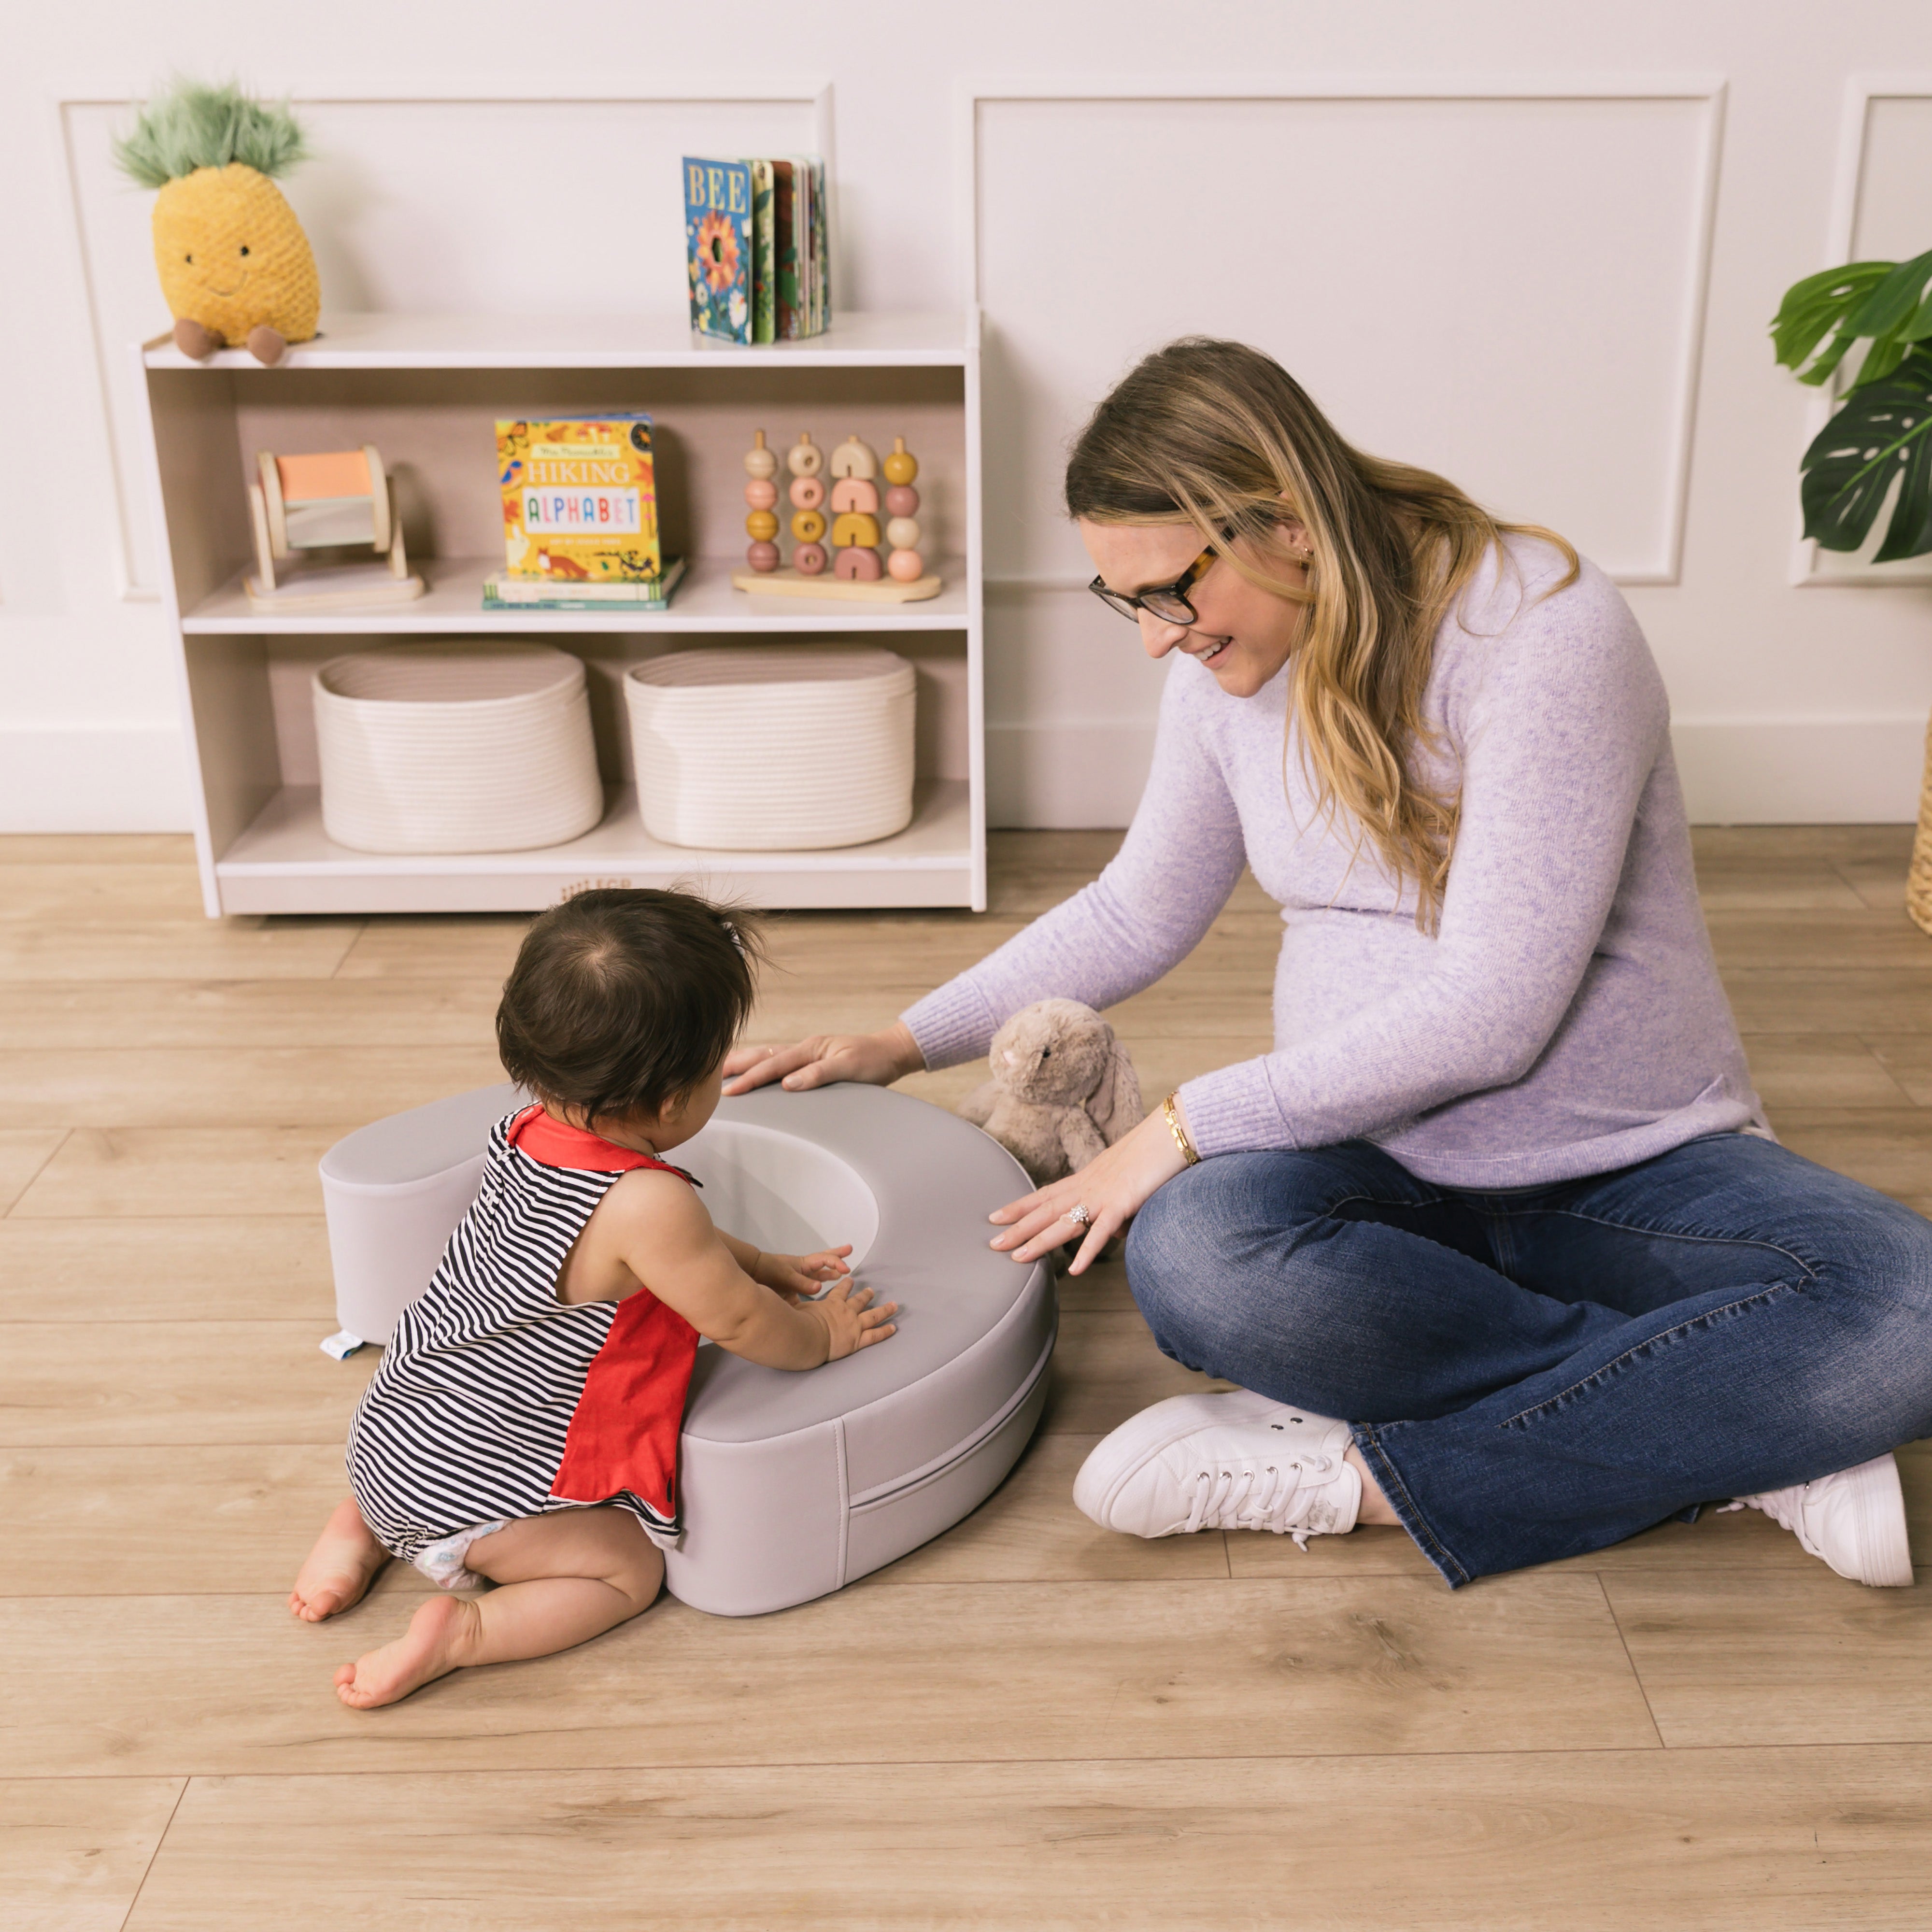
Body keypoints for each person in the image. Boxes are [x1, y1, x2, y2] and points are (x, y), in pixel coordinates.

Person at [724, 337, 1928, 1590]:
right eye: (1122, 599)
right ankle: (1742, 1421)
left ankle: (1379, 1482)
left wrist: (1188, 1119)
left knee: (1910, 1313)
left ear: (1287, 526)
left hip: (1626, 1169)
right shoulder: (1223, 659)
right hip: (1368, 1171)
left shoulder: (1541, 632)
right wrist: (902, 1039)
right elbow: (1139, 907)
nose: (1151, 640)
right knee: (1191, 1259)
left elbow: (1494, 1016)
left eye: (1167, 592)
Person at [290, 889, 895, 1707]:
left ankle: (357, 1530)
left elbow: (668, 1261)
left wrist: (758, 1261)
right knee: (627, 1569)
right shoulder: (651, 1204)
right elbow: (741, 1323)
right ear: (676, 1101)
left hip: (394, 1433)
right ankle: (466, 1634)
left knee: (414, 1482)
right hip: (477, 1491)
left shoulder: (533, 1128)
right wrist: (820, 1333)